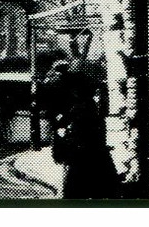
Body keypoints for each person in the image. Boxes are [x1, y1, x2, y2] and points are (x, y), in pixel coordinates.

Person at [43, 61, 121, 199]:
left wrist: (63, 139)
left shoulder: (78, 106)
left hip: (81, 152)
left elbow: (64, 128)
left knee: (78, 187)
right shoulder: (83, 105)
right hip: (86, 151)